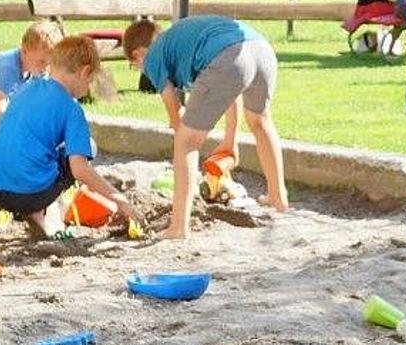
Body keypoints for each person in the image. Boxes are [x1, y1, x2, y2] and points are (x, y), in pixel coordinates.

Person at [120, 14, 289, 240]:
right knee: (260, 121)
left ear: (137, 54)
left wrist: (183, 145)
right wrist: (230, 141)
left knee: (185, 141)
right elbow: (232, 89)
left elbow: (174, 112)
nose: (142, 70)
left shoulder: (153, 55)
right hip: (260, 48)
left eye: (135, 66)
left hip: (229, 58)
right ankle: (277, 197)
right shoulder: (179, 42)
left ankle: (178, 228)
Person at [0, 35, 135, 238]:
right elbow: (80, 170)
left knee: (49, 149)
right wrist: (120, 200)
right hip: (29, 193)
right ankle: (50, 216)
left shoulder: (27, 88)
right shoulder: (71, 108)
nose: (88, 88)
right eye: (90, 81)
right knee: (87, 147)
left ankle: (38, 210)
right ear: (85, 72)